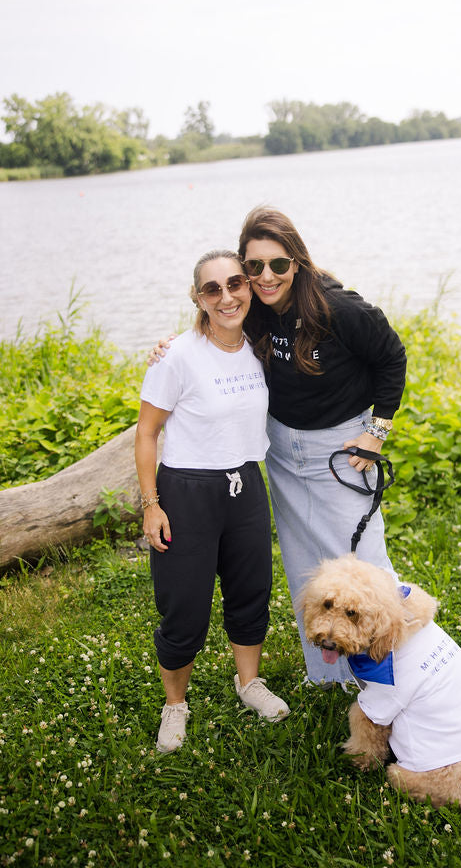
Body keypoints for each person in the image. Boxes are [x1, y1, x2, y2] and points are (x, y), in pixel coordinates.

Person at [150, 208, 407, 688]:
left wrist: (376, 432)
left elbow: (392, 356)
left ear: (298, 262)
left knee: (365, 563)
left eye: (278, 265)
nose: (266, 277)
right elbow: (217, 327)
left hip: (341, 447)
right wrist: (174, 346)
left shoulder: (340, 309)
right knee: (305, 564)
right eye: (255, 267)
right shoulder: (255, 305)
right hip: (282, 450)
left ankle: (397, 673)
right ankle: (329, 675)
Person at [135, 248, 289, 754]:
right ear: (197, 298)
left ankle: (249, 684)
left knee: (251, 592)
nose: (226, 296)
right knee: (184, 608)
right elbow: (147, 433)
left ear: (249, 287)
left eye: (235, 284)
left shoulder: (260, 344)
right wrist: (151, 504)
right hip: (187, 492)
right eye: (212, 289)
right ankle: (175, 705)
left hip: (245, 484)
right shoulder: (177, 355)